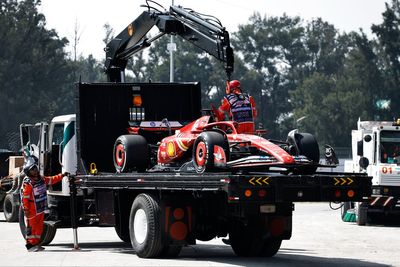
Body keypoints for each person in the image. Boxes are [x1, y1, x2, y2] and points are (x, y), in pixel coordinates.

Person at [21, 156, 68, 252]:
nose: (35, 170)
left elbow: (52, 180)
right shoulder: (28, 183)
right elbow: (24, 198)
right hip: (32, 209)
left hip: (40, 208)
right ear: (28, 172)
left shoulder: (41, 179)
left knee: (39, 228)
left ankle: (37, 244)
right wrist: (26, 210)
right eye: (32, 170)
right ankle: (29, 245)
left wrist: (62, 175)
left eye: (35, 168)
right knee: (32, 228)